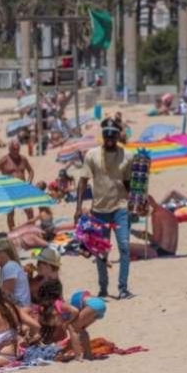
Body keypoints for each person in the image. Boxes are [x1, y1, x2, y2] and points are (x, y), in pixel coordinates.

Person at [75, 118, 134, 300]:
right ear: (103, 135)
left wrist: (138, 199)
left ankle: (123, 288)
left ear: (118, 135)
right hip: (99, 211)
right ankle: (103, 288)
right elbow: (83, 181)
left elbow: (128, 182)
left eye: (113, 134)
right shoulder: (92, 155)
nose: (109, 138)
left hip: (120, 208)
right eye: (106, 134)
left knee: (124, 247)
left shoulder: (127, 156)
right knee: (101, 251)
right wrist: (78, 207)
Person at [36, 280, 105, 361]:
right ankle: (88, 354)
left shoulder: (58, 304)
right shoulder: (60, 306)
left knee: (72, 328)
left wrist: (67, 322)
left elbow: (75, 311)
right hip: (100, 305)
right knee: (81, 329)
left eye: (53, 322)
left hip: (93, 305)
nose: (56, 324)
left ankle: (78, 355)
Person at [0, 141, 35, 230]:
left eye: (18, 149)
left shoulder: (23, 159)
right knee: (11, 213)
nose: (16, 151)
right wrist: (1, 184)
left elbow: (31, 171)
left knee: (29, 211)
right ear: (10, 149)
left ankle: (32, 230)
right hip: (9, 190)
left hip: (22, 189)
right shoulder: (4, 160)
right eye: (14, 149)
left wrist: (29, 182)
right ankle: (12, 232)